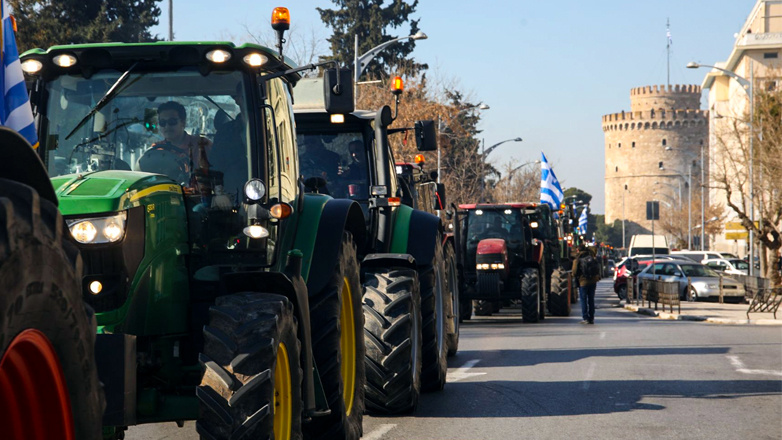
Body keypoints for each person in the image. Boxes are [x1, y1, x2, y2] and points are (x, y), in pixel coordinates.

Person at [572, 244, 601, 324]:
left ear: (578, 250)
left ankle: (585, 318)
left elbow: (574, 272)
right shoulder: (591, 257)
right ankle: (591, 318)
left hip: (583, 282)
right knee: (591, 300)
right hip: (593, 281)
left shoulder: (577, 259)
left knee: (583, 300)